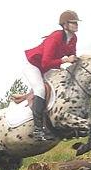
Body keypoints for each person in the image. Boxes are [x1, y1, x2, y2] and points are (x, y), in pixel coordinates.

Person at [23, 10, 80, 141]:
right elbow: (45, 62)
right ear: (65, 24)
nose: (77, 24)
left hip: (48, 66)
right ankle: (38, 129)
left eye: (77, 22)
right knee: (40, 89)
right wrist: (65, 60)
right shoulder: (56, 37)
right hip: (33, 65)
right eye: (74, 22)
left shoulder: (73, 39)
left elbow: (72, 56)